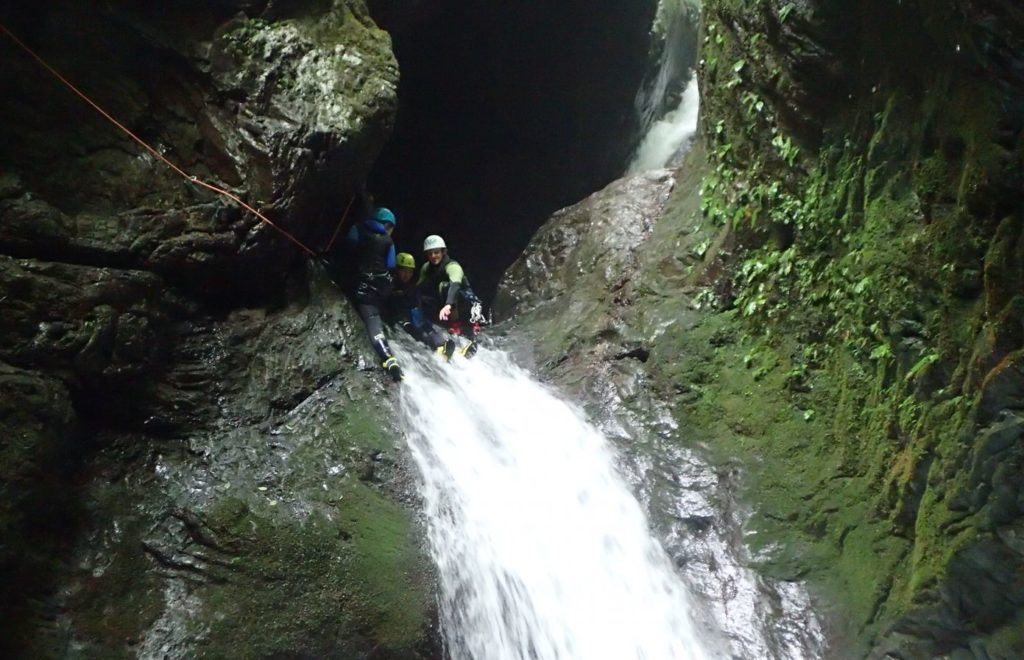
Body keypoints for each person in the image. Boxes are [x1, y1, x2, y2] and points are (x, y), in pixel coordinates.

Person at [344, 206, 403, 382]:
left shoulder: (357, 229)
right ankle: (390, 357)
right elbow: (391, 265)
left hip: (360, 285)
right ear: (387, 225)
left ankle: (386, 355)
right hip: (381, 288)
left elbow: (347, 250)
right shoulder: (388, 240)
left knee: (370, 317)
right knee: (375, 317)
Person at [418, 234, 486, 358]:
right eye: (430, 253)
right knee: (424, 298)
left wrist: (448, 305)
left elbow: (455, 285)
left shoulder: (452, 266)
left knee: (445, 287)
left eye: (436, 252)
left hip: (469, 306)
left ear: (443, 252)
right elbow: (419, 287)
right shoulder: (426, 268)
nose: (433, 256)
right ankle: (449, 328)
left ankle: (460, 328)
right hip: (448, 307)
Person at [387, 252, 457, 359]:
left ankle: (442, 344)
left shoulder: (411, 287)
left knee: (427, 326)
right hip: (401, 319)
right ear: (397, 270)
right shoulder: (391, 284)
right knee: (416, 330)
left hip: (413, 316)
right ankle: (435, 347)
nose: (407, 275)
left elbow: (416, 302)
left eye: (409, 272)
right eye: (404, 271)